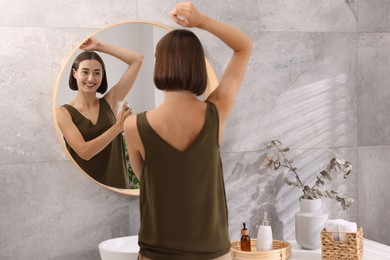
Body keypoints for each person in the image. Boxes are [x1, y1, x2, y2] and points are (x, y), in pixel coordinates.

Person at [123, 2, 252, 259]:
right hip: (212, 253)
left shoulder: (133, 125)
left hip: (156, 253)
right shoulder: (217, 111)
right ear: (198, 65)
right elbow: (244, 46)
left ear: (160, 65)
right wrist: (201, 20)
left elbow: (144, 177)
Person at [57, 37, 143, 189]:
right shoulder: (63, 113)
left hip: (119, 188)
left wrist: (98, 45)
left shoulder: (110, 101)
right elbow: (85, 152)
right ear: (74, 73)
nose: (91, 78)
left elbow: (137, 59)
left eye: (97, 73)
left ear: (102, 76)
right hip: (86, 193)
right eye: (85, 72)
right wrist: (118, 127)